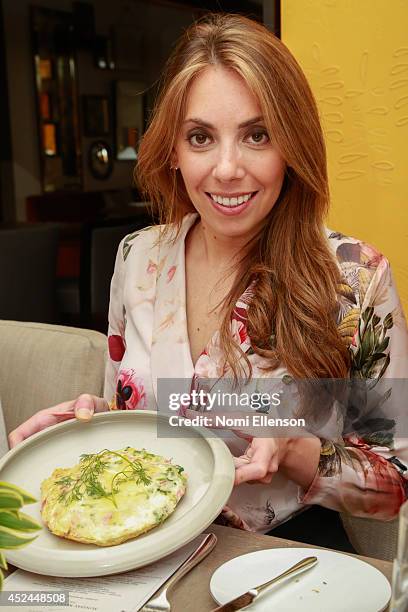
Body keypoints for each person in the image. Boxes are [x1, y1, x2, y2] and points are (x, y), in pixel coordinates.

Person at [10, 13, 408, 538]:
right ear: (172, 150)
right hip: (145, 546)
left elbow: (397, 483)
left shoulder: (355, 279)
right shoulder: (138, 257)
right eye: (200, 137)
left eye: (257, 135)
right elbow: (137, 418)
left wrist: (295, 448)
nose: (225, 168)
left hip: (279, 556)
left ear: (291, 146)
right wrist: (90, 427)